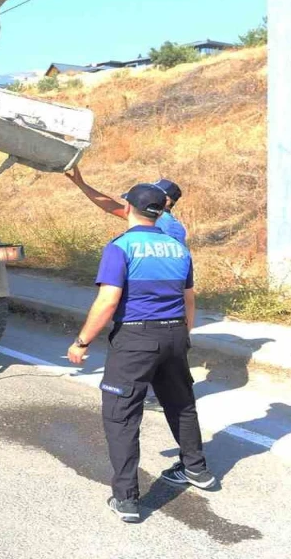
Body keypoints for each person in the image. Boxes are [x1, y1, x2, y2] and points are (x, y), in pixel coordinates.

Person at [66, 183, 215, 523]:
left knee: (121, 416)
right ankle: (197, 469)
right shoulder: (177, 248)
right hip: (175, 332)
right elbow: (189, 298)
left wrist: (82, 341)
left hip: (136, 338)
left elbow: (108, 301)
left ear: (129, 207)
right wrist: (184, 334)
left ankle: (127, 499)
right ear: (160, 210)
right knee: (181, 403)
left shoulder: (121, 247)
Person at [67, 168, 189, 411]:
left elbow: (111, 206)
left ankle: (140, 396)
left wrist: (81, 183)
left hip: (142, 310)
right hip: (171, 306)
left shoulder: (156, 223)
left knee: (135, 366)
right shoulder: (175, 227)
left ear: (164, 201)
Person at [66, 168, 188, 245]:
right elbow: (110, 206)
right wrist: (82, 185)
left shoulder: (159, 220)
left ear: (166, 201)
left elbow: (111, 207)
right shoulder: (158, 219)